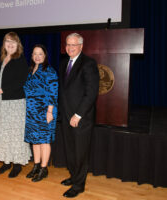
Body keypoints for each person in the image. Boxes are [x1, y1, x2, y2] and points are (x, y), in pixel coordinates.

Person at [59, 33, 99, 198]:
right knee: (70, 151)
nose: (70, 48)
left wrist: (78, 115)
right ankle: (74, 176)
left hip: (80, 118)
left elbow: (91, 93)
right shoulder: (63, 63)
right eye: (68, 44)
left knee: (81, 152)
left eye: (73, 45)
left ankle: (79, 185)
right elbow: (63, 91)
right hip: (66, 116)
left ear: (81, 46)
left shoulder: (88, 64)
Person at [0, 32, 31, 178]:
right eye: (7, 41)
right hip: (1, 102)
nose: (10, 44)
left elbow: (21, 81)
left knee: (15, 133)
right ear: (4, 44)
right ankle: (6, 161)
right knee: (3, 131)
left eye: (13, 42)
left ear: (18, 44)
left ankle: (17, 164)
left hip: (15, 102)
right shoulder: (0, 60)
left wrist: (1, 90)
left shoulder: (20, 60)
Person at [23, 44, 58, 182]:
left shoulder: (49, 71)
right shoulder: (30, 70)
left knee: (44, 140)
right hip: (31, 111)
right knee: (34, 140)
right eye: (34, 53)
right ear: (32, 56)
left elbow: (53, 93)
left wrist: (50, 111)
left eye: (40, 54)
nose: (37, 56)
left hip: (44, 111)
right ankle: (36, 166)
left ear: (45, 56)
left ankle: (44, 169)